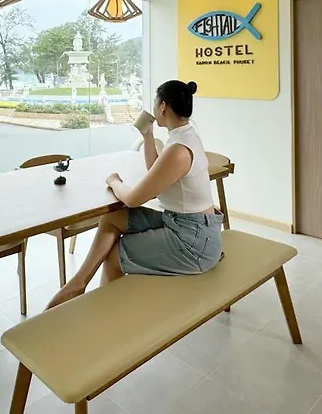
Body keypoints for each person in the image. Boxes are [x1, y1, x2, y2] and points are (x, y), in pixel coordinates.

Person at [46, 80, 222, 309]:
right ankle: (78, 283)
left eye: (155, 102)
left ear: (163, 107)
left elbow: (132, 199)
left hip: (194, 242)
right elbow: (156, 168)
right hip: (183, 224)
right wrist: (148, 136)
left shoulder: (179, 149)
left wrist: (114, 181)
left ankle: (107, 315)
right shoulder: (184, 136)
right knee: (113, 217)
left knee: (114, 256)